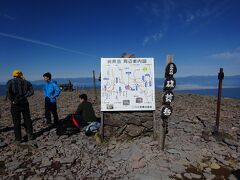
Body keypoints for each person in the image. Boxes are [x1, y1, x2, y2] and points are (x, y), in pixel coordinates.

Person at [6, 70, 34, 143]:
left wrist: (12, 100)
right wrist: (25, 96)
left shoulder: (10, 82)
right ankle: (30, 135)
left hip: (15, 104)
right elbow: (32, 92)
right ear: (21, 74)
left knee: (16, 122)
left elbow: (8, 92)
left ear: (13, 75)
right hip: (24, 102)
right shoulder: (26, 82)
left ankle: (18, 139)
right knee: (27, 119)